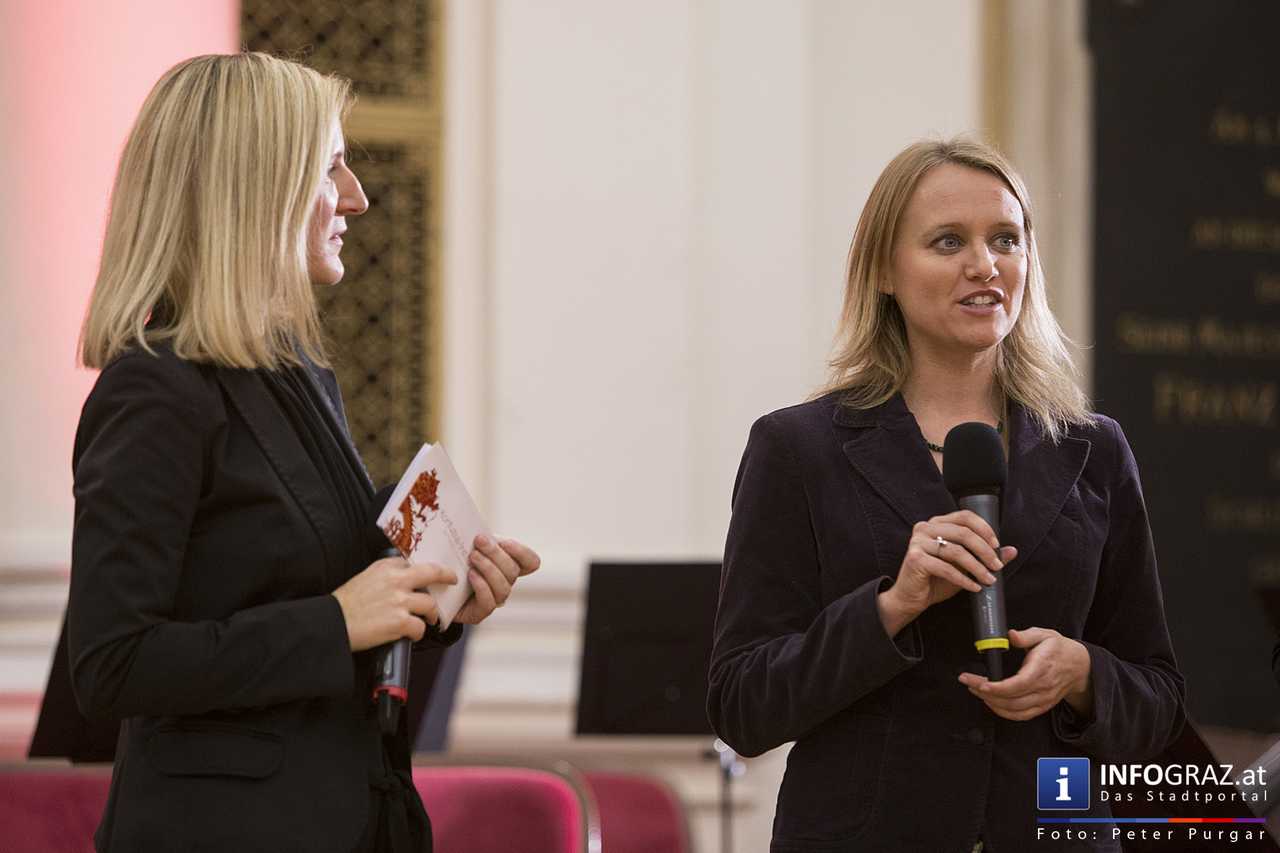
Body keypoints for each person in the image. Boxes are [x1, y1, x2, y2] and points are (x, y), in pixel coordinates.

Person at [67, 53, 540, 853]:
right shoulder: (154, 389)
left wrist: (438, 596)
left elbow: (328, 599)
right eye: (331, 167)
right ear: (255, 190)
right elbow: (111, 663)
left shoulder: (296, 375)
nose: (356, 195)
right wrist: (334, 623)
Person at [707, 138, 1186, 852]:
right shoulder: (798, 449)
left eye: (1005, 239)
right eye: (947, 241)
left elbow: (1159, 696)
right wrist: (890, 606)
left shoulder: (1095, 450)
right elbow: (742, 705)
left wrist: (1085, 674)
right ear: (884, 272)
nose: (984, 265)